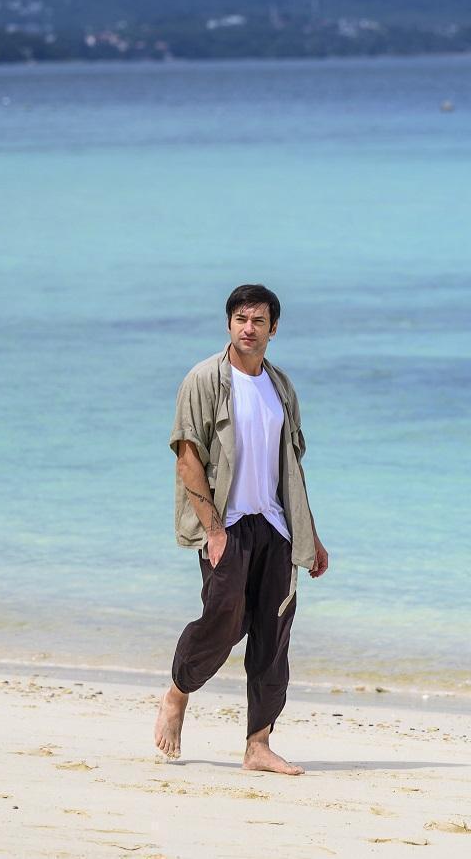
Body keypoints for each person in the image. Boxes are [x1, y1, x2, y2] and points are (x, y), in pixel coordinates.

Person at [153, 284, 329, 775]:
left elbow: (291, 467)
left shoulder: (281, 386)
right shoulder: (204, 380)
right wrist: (213, 530)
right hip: (227, 525)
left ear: (274, 329)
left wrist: (310, 534)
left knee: (274, 633)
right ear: (229, 324)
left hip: (275, 525)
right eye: (240, 319)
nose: (248, 329)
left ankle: (258, 745)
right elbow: (187, 458)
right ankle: (178, 692)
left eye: (258, 321)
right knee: (225, 620)